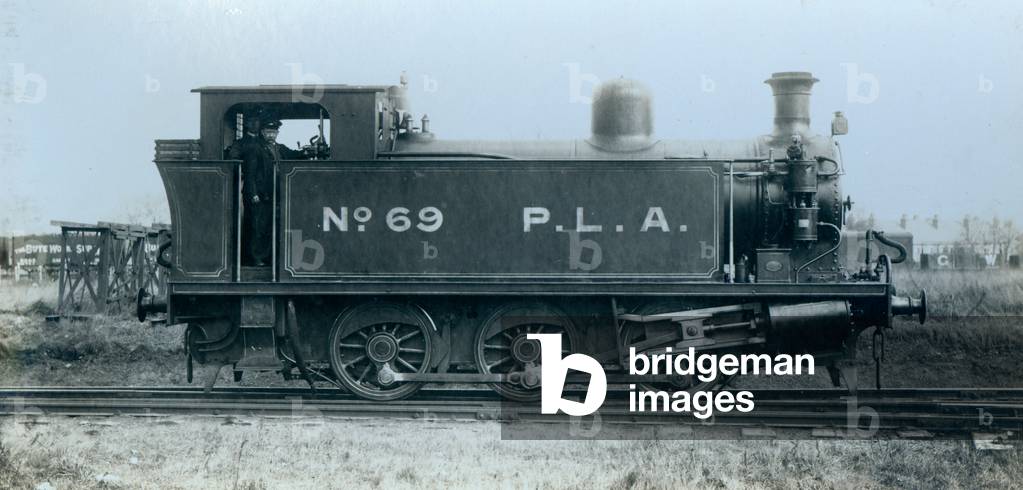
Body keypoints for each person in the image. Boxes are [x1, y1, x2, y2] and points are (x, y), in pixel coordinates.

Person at [229, 115, 304, 266]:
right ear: (263, 133)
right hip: (260, 193)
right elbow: (250, 172)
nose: (271, 135)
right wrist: (253, 193)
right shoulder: (255, 148)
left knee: (269, 226)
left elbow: (294, 154)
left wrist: (308, 151)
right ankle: (256, 257)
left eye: (274, 132)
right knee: (258, 226)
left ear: (277, 133)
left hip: (273, 193)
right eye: (268, 132)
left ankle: (267, 256)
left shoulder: (279, 148)